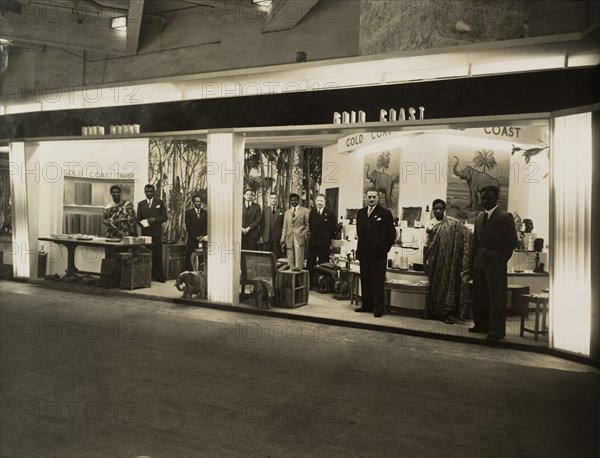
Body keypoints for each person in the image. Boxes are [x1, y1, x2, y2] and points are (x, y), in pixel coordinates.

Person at [465, 185, 518, 343]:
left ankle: (496, 331)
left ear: (497, 199)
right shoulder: (479, 217)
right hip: (479, 263)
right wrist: (471, 262)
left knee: (497, 299)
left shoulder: (505, 216)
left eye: (489, 198)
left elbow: (511, 241)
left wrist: (501, 259)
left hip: (495, 264)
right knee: (479, 296)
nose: (485, 200)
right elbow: (475, 241)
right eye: (483, 198)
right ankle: (481, 325)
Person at [424, 198, 472, 324]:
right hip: (434, 260)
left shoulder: (452, 223)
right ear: (433, 209)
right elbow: (426, 244)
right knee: (434, 285)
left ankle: (445, 312)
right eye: (436, 208)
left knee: (446, 284)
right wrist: (425, 261)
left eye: (441, 208)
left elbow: (467, 233)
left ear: (444, 210)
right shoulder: (430, 224)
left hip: (448, 261)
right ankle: (434, 311)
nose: (438, 211)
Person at [354, 188, 396, 318]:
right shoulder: (360, 213)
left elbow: (391, 234)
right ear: (366, 198)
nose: (371, 199)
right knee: (365, 280)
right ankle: (366, 305)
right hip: (364, 253)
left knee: (378, 282)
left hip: (379, 255)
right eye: (369, 197)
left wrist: (384, 249)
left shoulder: (385, 213)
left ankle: (378, 308)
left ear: (378, 198)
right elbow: (360, 233)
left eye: (374, 197)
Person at [136, 184, 168, 283]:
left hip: (156, 234)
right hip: (145, 234)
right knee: (145, 255)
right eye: (147, 191)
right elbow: (138, 219)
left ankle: (159, 276)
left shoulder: (159, 203)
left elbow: (165, 217)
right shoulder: (141, 204)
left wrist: (155, 219)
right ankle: (147, 276)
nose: (149, 193)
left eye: (150, 191)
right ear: (145, 192)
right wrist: (143, 224)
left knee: (157, 255)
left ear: (154, 192)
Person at [307, 193, 335, 285]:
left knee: (324, 264)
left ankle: (324, 284)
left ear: (324, 202)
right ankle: (310, 283)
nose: (319, 203)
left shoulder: (330, 213)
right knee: (310, 263)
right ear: (315, 202)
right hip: (313, 242)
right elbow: (311, 227)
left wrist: (328, 239)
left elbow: (332, 229)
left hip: (324, 242)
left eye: (321, 201)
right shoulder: (312, 213)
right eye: (318, 201)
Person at [280, 193, 310, 271]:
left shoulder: (305, 211)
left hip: (299, 238)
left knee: (299, 260)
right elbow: (284, 227)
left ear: (298, 201)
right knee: (290, 261)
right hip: (289, 238)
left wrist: (305, 235)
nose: (294, 202)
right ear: (290, 201)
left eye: (295, 200)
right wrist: (282, 239)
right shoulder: (287, 213)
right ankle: (291, 278)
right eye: (292, 200)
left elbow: (307, 225)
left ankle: (299, 280)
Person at [184, 194, 208, 271]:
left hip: (202, 239)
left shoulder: (205, 213)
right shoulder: (188, 212)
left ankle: (201, 275)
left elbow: (206, 226)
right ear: (193, 203)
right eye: (196, 202)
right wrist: (196, 237)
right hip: (192, 239)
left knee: (202, 259)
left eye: (200, 202)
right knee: (190, 257)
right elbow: (188, 226)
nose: (198, 203)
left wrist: (202, 236)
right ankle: (190, 276)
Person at [260, 192, 284, 259]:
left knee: (276, 257)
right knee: (265, 257)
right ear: (269, 199)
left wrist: (282, 238)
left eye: (275, 198)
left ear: (277, 199)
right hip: (266, 237)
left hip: (277, 238)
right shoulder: (265, 210)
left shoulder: (282, 210)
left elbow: (284, 226)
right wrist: (261, 236)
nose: (273, 200)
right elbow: (262, 224)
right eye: (272, 198)